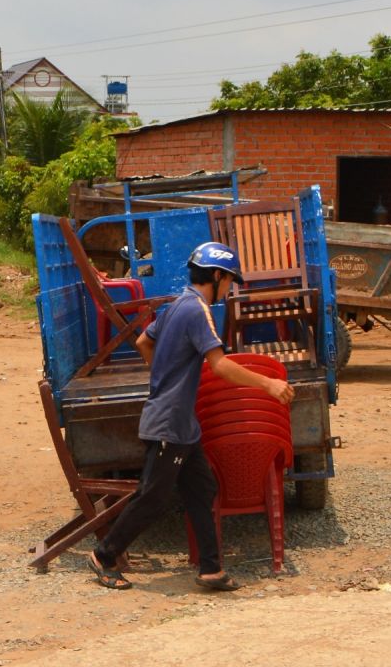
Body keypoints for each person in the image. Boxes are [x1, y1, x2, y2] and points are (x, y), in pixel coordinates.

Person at [88, 241, 293, 592]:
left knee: (202, 488)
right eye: (229, 282)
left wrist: (166, 377)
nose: (228, 290)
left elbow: (142, 343)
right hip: (169, 422)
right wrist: (269, 385)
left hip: (181, 423)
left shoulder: (175, 305)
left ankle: (211, 569)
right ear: (216, 276)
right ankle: (104, 555)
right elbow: (220, 365)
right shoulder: (198, 310)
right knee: (152, 496)